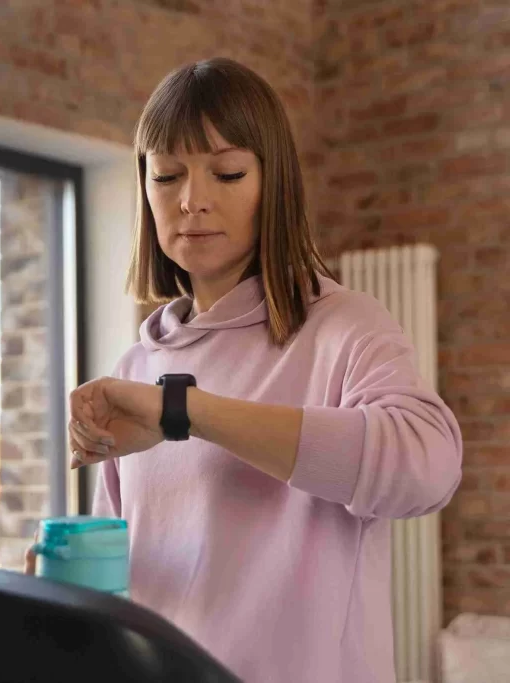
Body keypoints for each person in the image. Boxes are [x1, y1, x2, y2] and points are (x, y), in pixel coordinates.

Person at [29, 58, 463, 683]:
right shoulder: (138, 363)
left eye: (227, 172)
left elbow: (429, 468)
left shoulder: (344, 326)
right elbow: (131, 579)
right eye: (167, 175)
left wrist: (184, 411)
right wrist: (63, 590)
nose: (192, 200)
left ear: (273, 182)